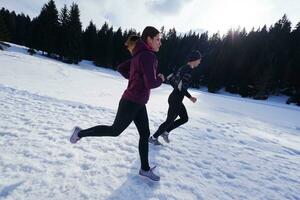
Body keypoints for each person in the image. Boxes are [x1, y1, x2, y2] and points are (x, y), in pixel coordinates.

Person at [70, 27, 165, 181]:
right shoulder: (148, 56)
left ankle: (144, 169)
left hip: (137, 102)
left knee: (145, 134)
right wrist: (160, 78)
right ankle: (79, 133)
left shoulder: (138, 54)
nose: (160, 43)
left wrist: (134, 79)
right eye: (158, 39)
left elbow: (121, 68)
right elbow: (151, 83)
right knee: (114, 130)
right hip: (132, 102)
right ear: (149, 39)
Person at [149, 50, 202, 145]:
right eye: (199, 60)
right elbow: (180, 87)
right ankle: (153, 137)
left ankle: (165, 132)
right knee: (169, 121)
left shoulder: (185, 68)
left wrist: (178, 88)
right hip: (175, 99)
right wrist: (190, 97)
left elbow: (172, 80)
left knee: (184, 118)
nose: (199, 62)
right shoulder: (187, 70)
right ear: (195, 59)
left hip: (176, 98)